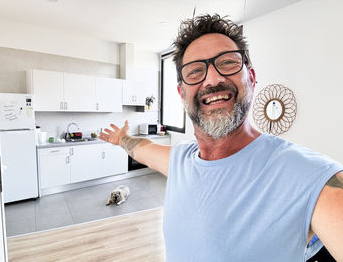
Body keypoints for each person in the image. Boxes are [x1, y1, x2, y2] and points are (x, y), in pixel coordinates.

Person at [99, 14, 343, 262]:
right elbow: (142, 148)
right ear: (182, 94)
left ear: (252, 78)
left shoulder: (311, 177)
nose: (213, 79)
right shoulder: (180, 161)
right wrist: (122, 139)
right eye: (195, 71)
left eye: (227, 63)